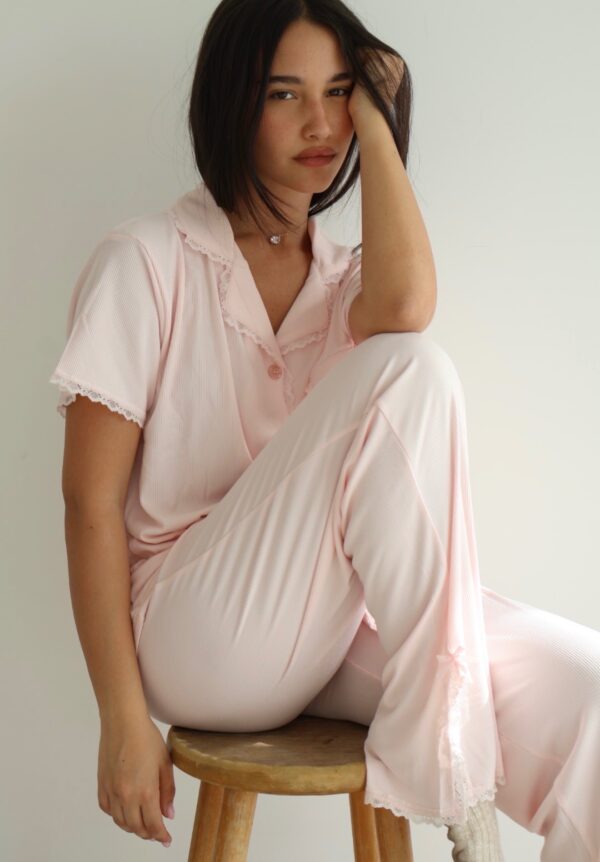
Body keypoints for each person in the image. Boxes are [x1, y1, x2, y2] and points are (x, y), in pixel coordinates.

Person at [49, 2, 600, 860]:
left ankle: (441, 738)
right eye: (285, 94)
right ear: (232, 102)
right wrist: (120, 717)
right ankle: (445, 767)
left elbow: (404, 299)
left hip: (328, 628)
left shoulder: (347, 283)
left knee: (588, 691)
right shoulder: (146, 260)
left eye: (340, 93)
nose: (321, 123)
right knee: (410, 368)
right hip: (193, 636)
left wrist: (378, 127)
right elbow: (89, 505)